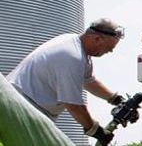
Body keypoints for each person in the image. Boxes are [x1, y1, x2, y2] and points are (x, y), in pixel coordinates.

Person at [8, 18, 126, 146]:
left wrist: (115, 99)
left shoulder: (74, 43)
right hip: (22, 109)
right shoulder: (72, 57)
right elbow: (74, 106)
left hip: (24, 105)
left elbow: (89, 81)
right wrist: (96, 131)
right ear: (97, 39)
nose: (109, 52)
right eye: (108, 48)